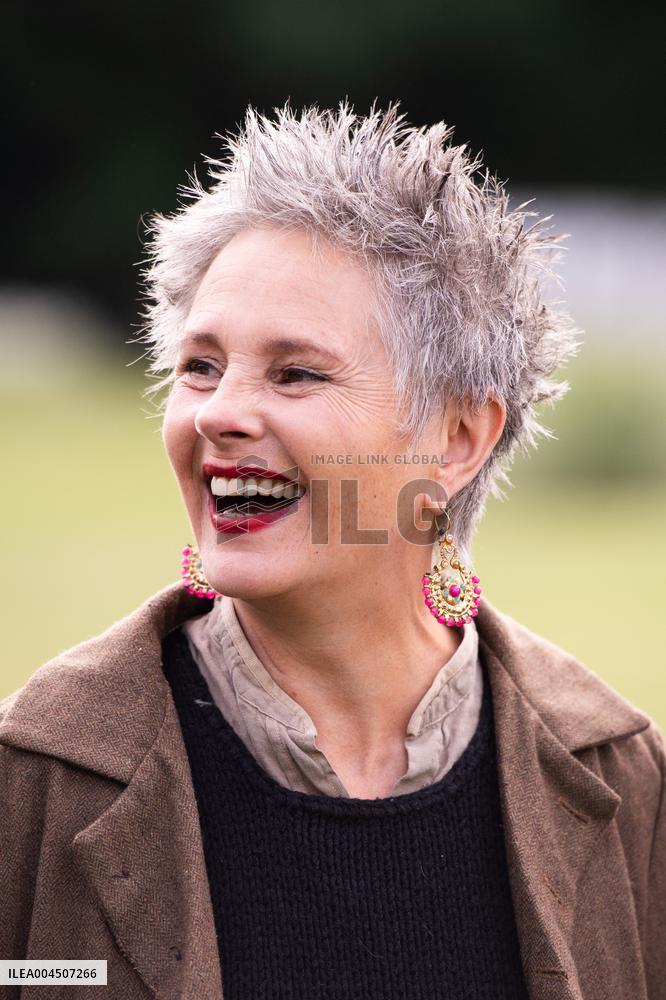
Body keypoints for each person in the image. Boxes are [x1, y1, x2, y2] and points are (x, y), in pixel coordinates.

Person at [1, 103, 664, 1000]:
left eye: (296, 373)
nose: (219, 413)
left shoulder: (624, 779)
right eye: (200, 366)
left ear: (459, 436)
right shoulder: (30, 781)